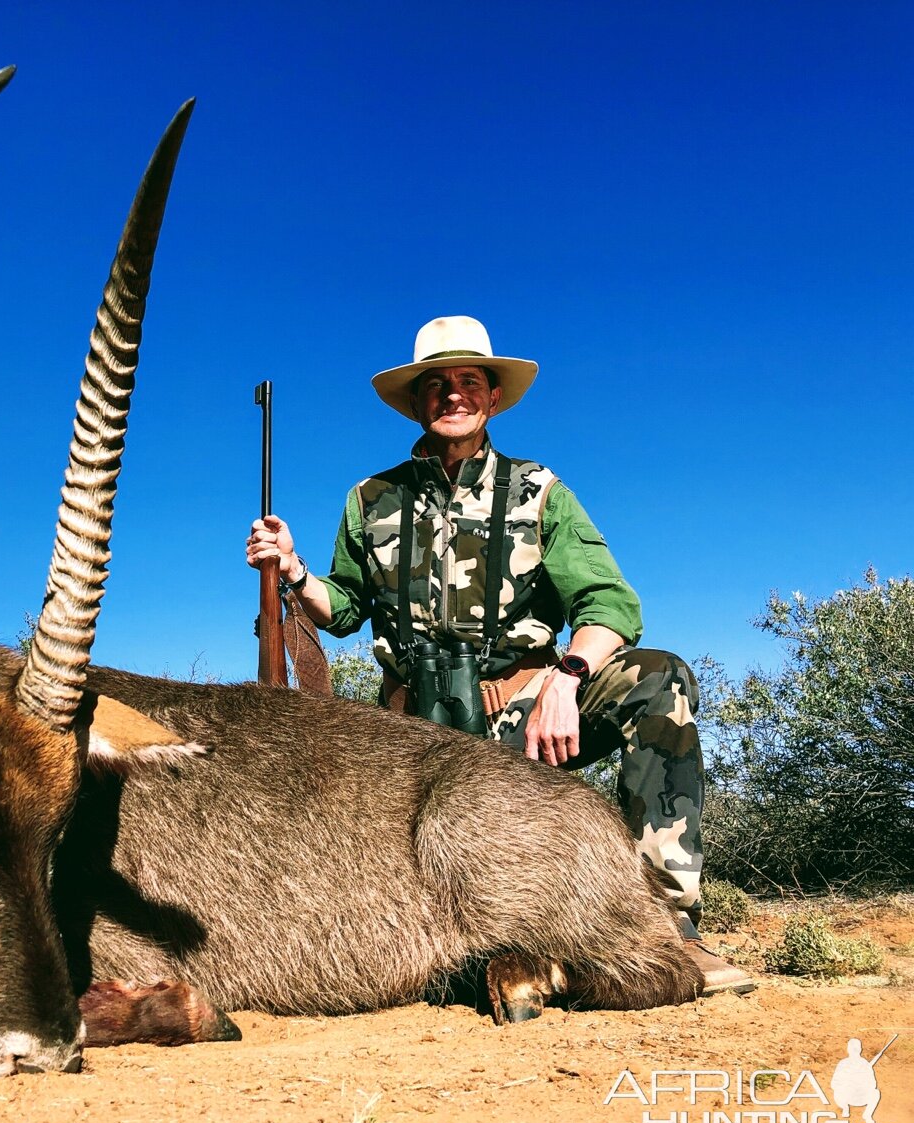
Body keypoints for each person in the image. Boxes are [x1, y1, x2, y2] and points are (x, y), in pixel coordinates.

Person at [246, 315, 754, 995]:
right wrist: (294, 569)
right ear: (419, 400)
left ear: (491, 397)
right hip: (408, 735)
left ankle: (669, 926)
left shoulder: (540, 489)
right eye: (438, 385)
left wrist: (567, 679)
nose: (453, 395)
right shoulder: (369, 499)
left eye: (468, 382)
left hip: (519, 714)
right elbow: (343, 610)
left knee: (659, 679)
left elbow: (612, 607)